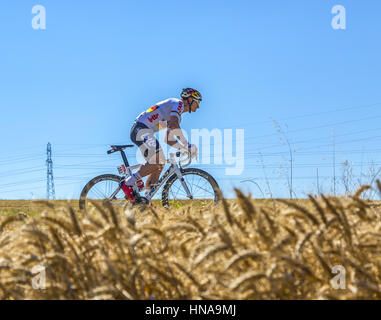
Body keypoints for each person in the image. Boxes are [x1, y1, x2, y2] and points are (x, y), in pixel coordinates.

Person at [123, 88, 202, 200]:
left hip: (143, 131)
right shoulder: (178, 103)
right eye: (197, 102)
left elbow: (169, 139)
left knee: (159, 165)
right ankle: (128, 183)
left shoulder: (177, 116)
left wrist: (183, 149)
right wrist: (187, 145)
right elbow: (174, 125)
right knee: (159, 160)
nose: (198, 106)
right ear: (189, 99)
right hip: (141, 129)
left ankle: (146, 200)